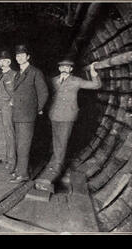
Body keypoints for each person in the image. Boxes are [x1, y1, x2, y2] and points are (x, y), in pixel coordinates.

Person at [36, 59, 101, 190]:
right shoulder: (53, 80)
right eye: (62, 67)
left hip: (67, 116)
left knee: (62, 141)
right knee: (56, 140)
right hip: (54, 115)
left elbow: (96, 85)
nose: (64, 69)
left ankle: (56, 168)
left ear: (71, 69)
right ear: (59, 69)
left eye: (67, 67)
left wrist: (93, 72)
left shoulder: (76, 81)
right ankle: (53, 163)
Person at [10, 45, 48, 183]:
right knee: (19, 144)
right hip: (17, 115)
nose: (19, 58)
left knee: (24, 145)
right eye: (17, 56)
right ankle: (20, 170)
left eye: (22, 55)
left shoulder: (35, 72)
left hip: (27, 115)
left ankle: (23, 174)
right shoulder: (18, 73)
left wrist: (36, 109)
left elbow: (43, 93)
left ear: (28, 57)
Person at [0, 51, 17, 172]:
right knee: (0, 131)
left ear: (9, 62)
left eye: (5, 61)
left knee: (9, 132)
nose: (2, 63)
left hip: (7, 106)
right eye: (1, 61)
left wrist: (11, 103)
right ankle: (3, 156)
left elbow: (15, 92)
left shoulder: (13, 74)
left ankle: (11, 160)